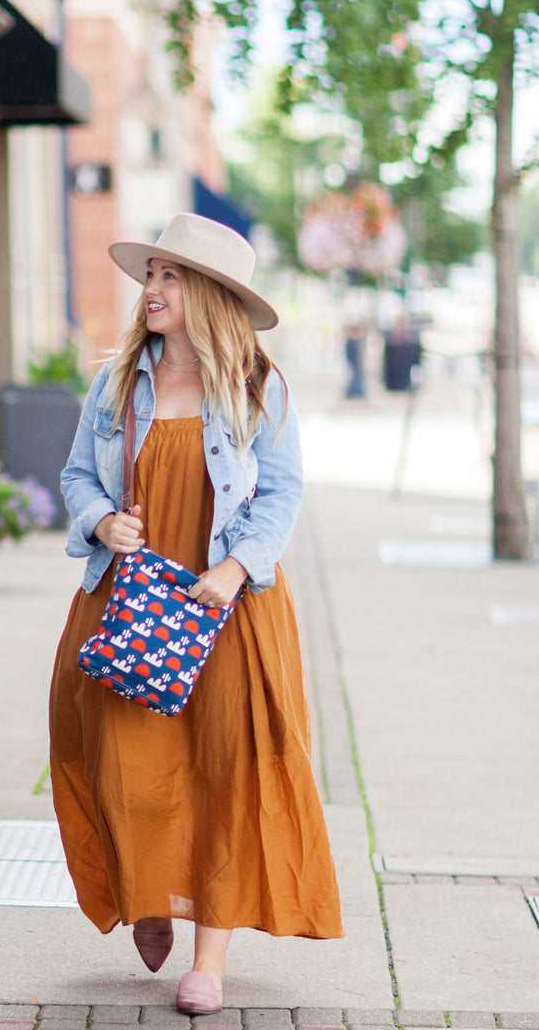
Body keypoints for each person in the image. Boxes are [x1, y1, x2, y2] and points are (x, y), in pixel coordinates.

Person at [50, 213, 342, 1014]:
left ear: (210, 292)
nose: (151, 289)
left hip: (228, 606)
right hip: (132, 597)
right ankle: (147, 896)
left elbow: (281, 493)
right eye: (151, 275)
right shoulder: (117, 379)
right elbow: (79, 476)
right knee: (119, 757)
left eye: (170, 276)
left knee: (225, 772)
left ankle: (208, 959)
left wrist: (235, 565)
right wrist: (101, 521)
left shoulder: (257, 385)